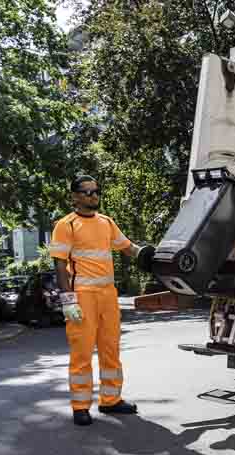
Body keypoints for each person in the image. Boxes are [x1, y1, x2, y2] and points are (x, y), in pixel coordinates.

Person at [48, 175, 155, 426]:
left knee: (111, 349)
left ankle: (110, 400)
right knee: (82, 352)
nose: (93, 196)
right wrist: (68, 300)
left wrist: (151, 256)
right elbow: (60, 265)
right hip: (82, 297)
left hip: (108, 295)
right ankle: (80, 406)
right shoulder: (66, 225)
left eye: (96, 191)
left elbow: (128, 248)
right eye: (87, 192)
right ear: (75, 196)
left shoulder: (107, 222)